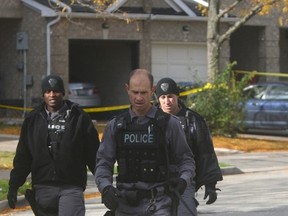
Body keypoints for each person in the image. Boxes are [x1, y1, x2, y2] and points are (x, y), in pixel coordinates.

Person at [95, 69, 196, 216]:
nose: (139, 98)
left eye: (143, 93)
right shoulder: (115, 125)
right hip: (124, 204)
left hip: (159, 204)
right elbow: (103, 162)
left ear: (153, 90)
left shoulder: (169, 124)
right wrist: (105, 188)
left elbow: (186, 159)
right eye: (135, 92)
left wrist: (183, 181)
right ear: (127, 89)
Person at [7, 74, 100, 216]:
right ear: (43, 94)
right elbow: (23, 157)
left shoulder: (79, 118)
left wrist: (104, 185)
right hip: (43, 187)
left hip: (71, 186)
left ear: (63, 93)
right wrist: (13, 186)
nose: (52, 95)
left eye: (56, 91)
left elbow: (94, 155)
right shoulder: (33, 120)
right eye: (47, 91)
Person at [155, 77, 223, 216]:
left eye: (170, 96)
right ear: (158, 99)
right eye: (163, 97)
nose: (167, 101)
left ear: (177, 96)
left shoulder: (193, 120)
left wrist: (210, 184)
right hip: (155, 180)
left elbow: (205, 152)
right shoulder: (150, 119)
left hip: (184, 179)